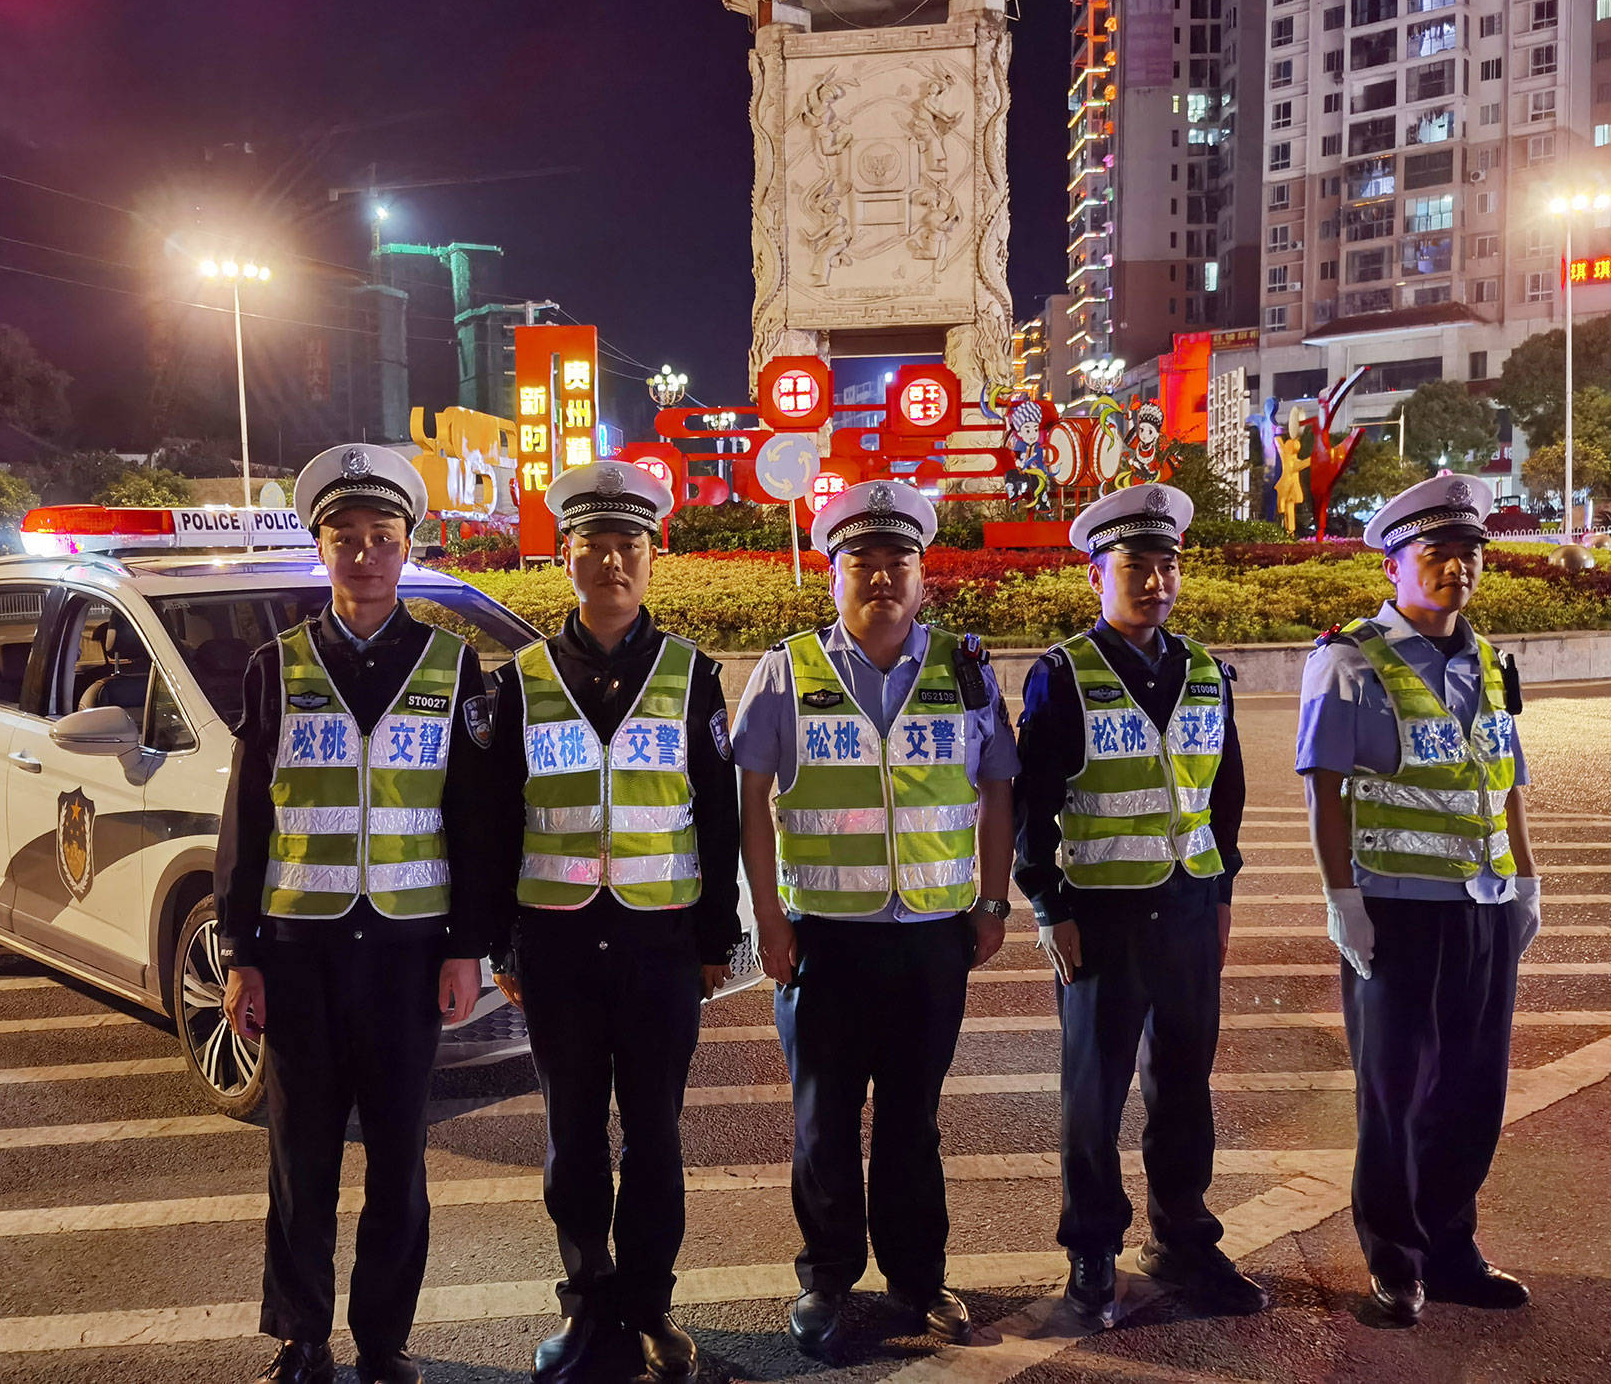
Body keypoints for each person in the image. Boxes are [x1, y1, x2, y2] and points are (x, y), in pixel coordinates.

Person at [215, 443, 491, 1384]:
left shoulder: (454, 669)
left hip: (411, 954)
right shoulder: (277, 667)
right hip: (301, 952)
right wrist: (241, 952)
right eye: (346, 538)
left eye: (383, 537)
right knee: (301, 1156)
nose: (365, 554)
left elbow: (474, 817)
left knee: (399, 1161)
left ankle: (384, 1341)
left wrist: (467, 949)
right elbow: (247, 818)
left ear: (408, 546)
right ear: (321, 547)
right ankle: (302, 1335)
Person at [731, 479, 1019, 1361]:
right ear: (834, 575)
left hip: (932, 935)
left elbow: (997, 784)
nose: (883, 577)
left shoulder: (963, 668)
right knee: (822, 1118)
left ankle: (916, 1277)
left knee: (912, 1119)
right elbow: (750, 803)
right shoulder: (788, 669)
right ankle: (825, 1280)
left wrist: (994, 898)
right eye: (864, 562)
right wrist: (767, 922)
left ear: (924, 576)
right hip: (824, 936)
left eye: (900, 561)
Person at [478, 461, 742, 1384]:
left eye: (631, 544)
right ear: (568, 557)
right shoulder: (521, 681)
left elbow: (716, 811)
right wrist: (501, 945)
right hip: (554, 947)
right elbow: (498, 816)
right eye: (595, 545)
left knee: (657, 1138)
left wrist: (718, 937)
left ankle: (651, 1306)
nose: (614, 562)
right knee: (573, 1137)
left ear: (652, 557)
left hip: (659, 945)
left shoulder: (692, 675)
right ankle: (587, 1305)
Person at [1011, 483, 1266, 1328]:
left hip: (1189, 911)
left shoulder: (1203, 670)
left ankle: (1184, 1235)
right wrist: (1050, 908)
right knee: (1094, 1092)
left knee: (1185, 1085)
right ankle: (1092, 1247)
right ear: (1096, 576)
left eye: (1167, 566)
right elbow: (1030, 805)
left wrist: (1222, 887)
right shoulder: (1064, 676)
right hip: (1101, 917)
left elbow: (1222, 794)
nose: (1154, 582)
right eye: (1135, 566)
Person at [1296, 472, 1542, 1326]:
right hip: (1394, 911)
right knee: (1395, 1094)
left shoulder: (1487, 658)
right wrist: (1342, 899)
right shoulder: (1349, 659)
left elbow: (1504, 781)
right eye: (1436, 553)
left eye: (1470, 553)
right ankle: (1395, 1263)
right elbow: (1323, 787)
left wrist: (1528, 880)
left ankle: (1453, 1245)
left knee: (1476, 1088)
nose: (1458, 569)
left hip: (1484, 904)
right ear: (1395, 565)